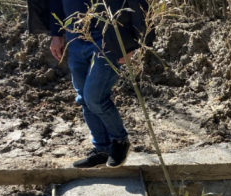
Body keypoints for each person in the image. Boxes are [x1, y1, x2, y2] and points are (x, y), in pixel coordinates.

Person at [25, 0, 154, 168]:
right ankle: (102, 149)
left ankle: (120, 140)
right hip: (75, 38)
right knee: (84, 99)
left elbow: (133, 3)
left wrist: (128, 43)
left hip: (107, 37)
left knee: (95, 98)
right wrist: (56, 35)